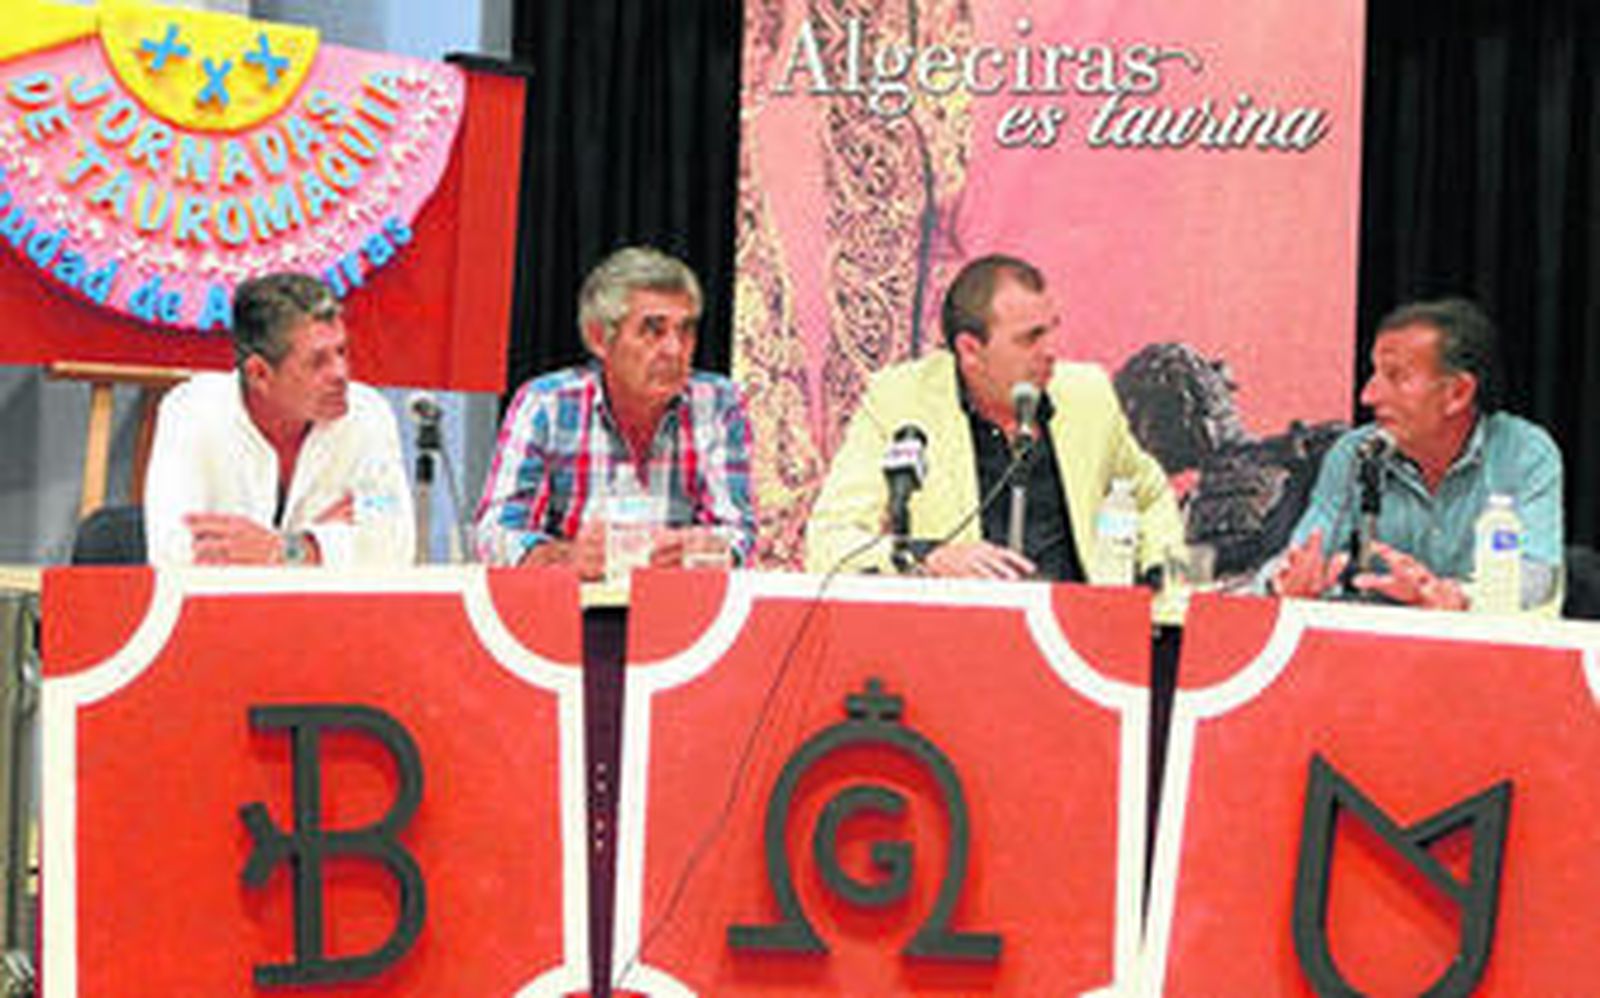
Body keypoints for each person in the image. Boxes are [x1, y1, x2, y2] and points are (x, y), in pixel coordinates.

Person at [804, 253, 1182, 580]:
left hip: (1075, 640)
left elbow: (1151, 497)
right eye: (1029, 338)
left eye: (1051, 331)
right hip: (960, 640)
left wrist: (1163, 600)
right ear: (970, 350)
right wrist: (930, 557)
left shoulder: (1088, 395)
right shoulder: (901, 400)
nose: (1050, 351)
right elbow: (830, 539)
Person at [475, 246, 757, 574]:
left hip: (681, 614)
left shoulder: (720, 404)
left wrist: (708, 548)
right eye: (653, 330)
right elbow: (494, 534)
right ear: (599, 338)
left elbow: (740, 535)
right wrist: (567, 557)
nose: (674, 349)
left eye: (686, 330)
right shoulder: (547, 405)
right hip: (570, 612)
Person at [1271, 298, 1563, 611]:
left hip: (1488, 650)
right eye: (1374, 374)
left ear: (1458, 393)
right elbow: (1302, 555)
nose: (1368, 396)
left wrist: (1456, 598)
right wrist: (1282, 583)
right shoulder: (1355, 453)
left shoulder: (1523, 452)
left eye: (1396, 377)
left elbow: (1536, 575)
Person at [144, 273, 415, 567]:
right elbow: (174, 555)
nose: (341, 373)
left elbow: (395, 548)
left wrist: (283, 549)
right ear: (259, 374)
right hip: (224, 613)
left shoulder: (368, 414)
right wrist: (323, 546)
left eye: (341, 351)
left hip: (330, 613)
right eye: (318, 362)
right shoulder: (192, 411)